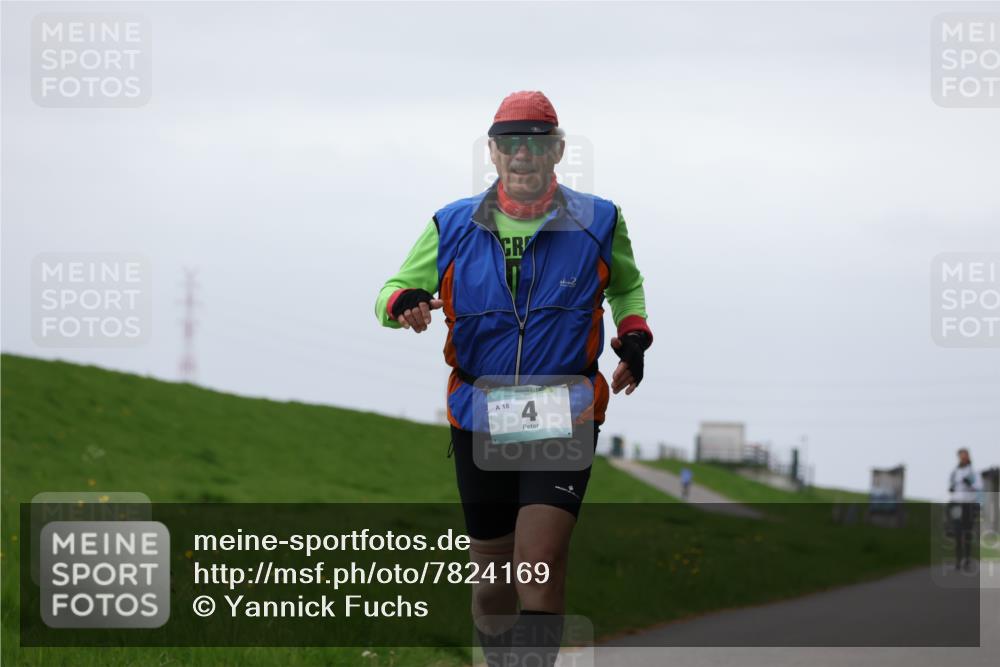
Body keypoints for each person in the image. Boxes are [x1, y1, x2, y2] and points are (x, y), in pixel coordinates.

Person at [375, 91, 652, 666]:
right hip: (479, 411)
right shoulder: (451, 224)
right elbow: (387, 293)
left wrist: (634, 333)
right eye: (508, 144)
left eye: (534, 144)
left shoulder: (599, 219)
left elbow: (625, 284)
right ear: (494, 153)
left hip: (565, 406)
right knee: (493, 582)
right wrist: (403, 301)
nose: (521, 156)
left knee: (541, 562)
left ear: (557, 151)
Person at [948, 447, 981, 572]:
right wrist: (951, 488)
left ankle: (967, 560)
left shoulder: (973, 472)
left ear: (968, 456)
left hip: (969, 504)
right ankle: (958, 560)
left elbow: (979, 487)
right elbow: (951, 485)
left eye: (964, 455)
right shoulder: (954, 472)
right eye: (960, 456)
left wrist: (970, 484)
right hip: (957, 503)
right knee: (957, 532)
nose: (962, 458)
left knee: (967, 532)